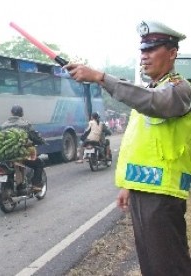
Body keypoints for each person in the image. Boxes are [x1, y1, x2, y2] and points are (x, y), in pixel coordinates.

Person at [64, 20, 191, 275]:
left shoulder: (179, 89)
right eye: (142, 51)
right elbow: (142, 145)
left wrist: (100, 77)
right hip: (145, 191)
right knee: (152, 264)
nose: (144, 57)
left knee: (169, 266)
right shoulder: (151, 90)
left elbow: (154, 103)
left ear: (172, 53)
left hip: (164, 195)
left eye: (152, 49)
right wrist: (128, 185)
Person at [1, 105, 46, 192]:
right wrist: (41, 141)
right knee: (39, 164)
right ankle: (36, 185)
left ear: (11, 113)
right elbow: (34, 136)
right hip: (21, 155)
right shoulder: (25, 124)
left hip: (7, 155)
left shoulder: (3, 125)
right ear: (21, 114)